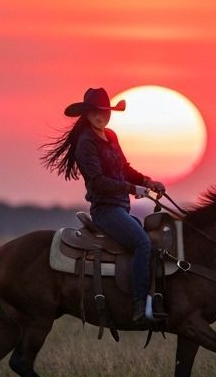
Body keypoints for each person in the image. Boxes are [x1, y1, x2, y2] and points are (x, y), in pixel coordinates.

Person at [41, 87, 167, 323]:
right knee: (141, 242)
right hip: (105, 211)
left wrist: (147, 181)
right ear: (87, 114)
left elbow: (123, 169)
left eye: (106, 112)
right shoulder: (86, 143)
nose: (102, 116)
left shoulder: (111, 136)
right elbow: (98, 183)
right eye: (96, 112)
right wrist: (132, 189)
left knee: (147, 240)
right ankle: (139, 305)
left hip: (121, 208)